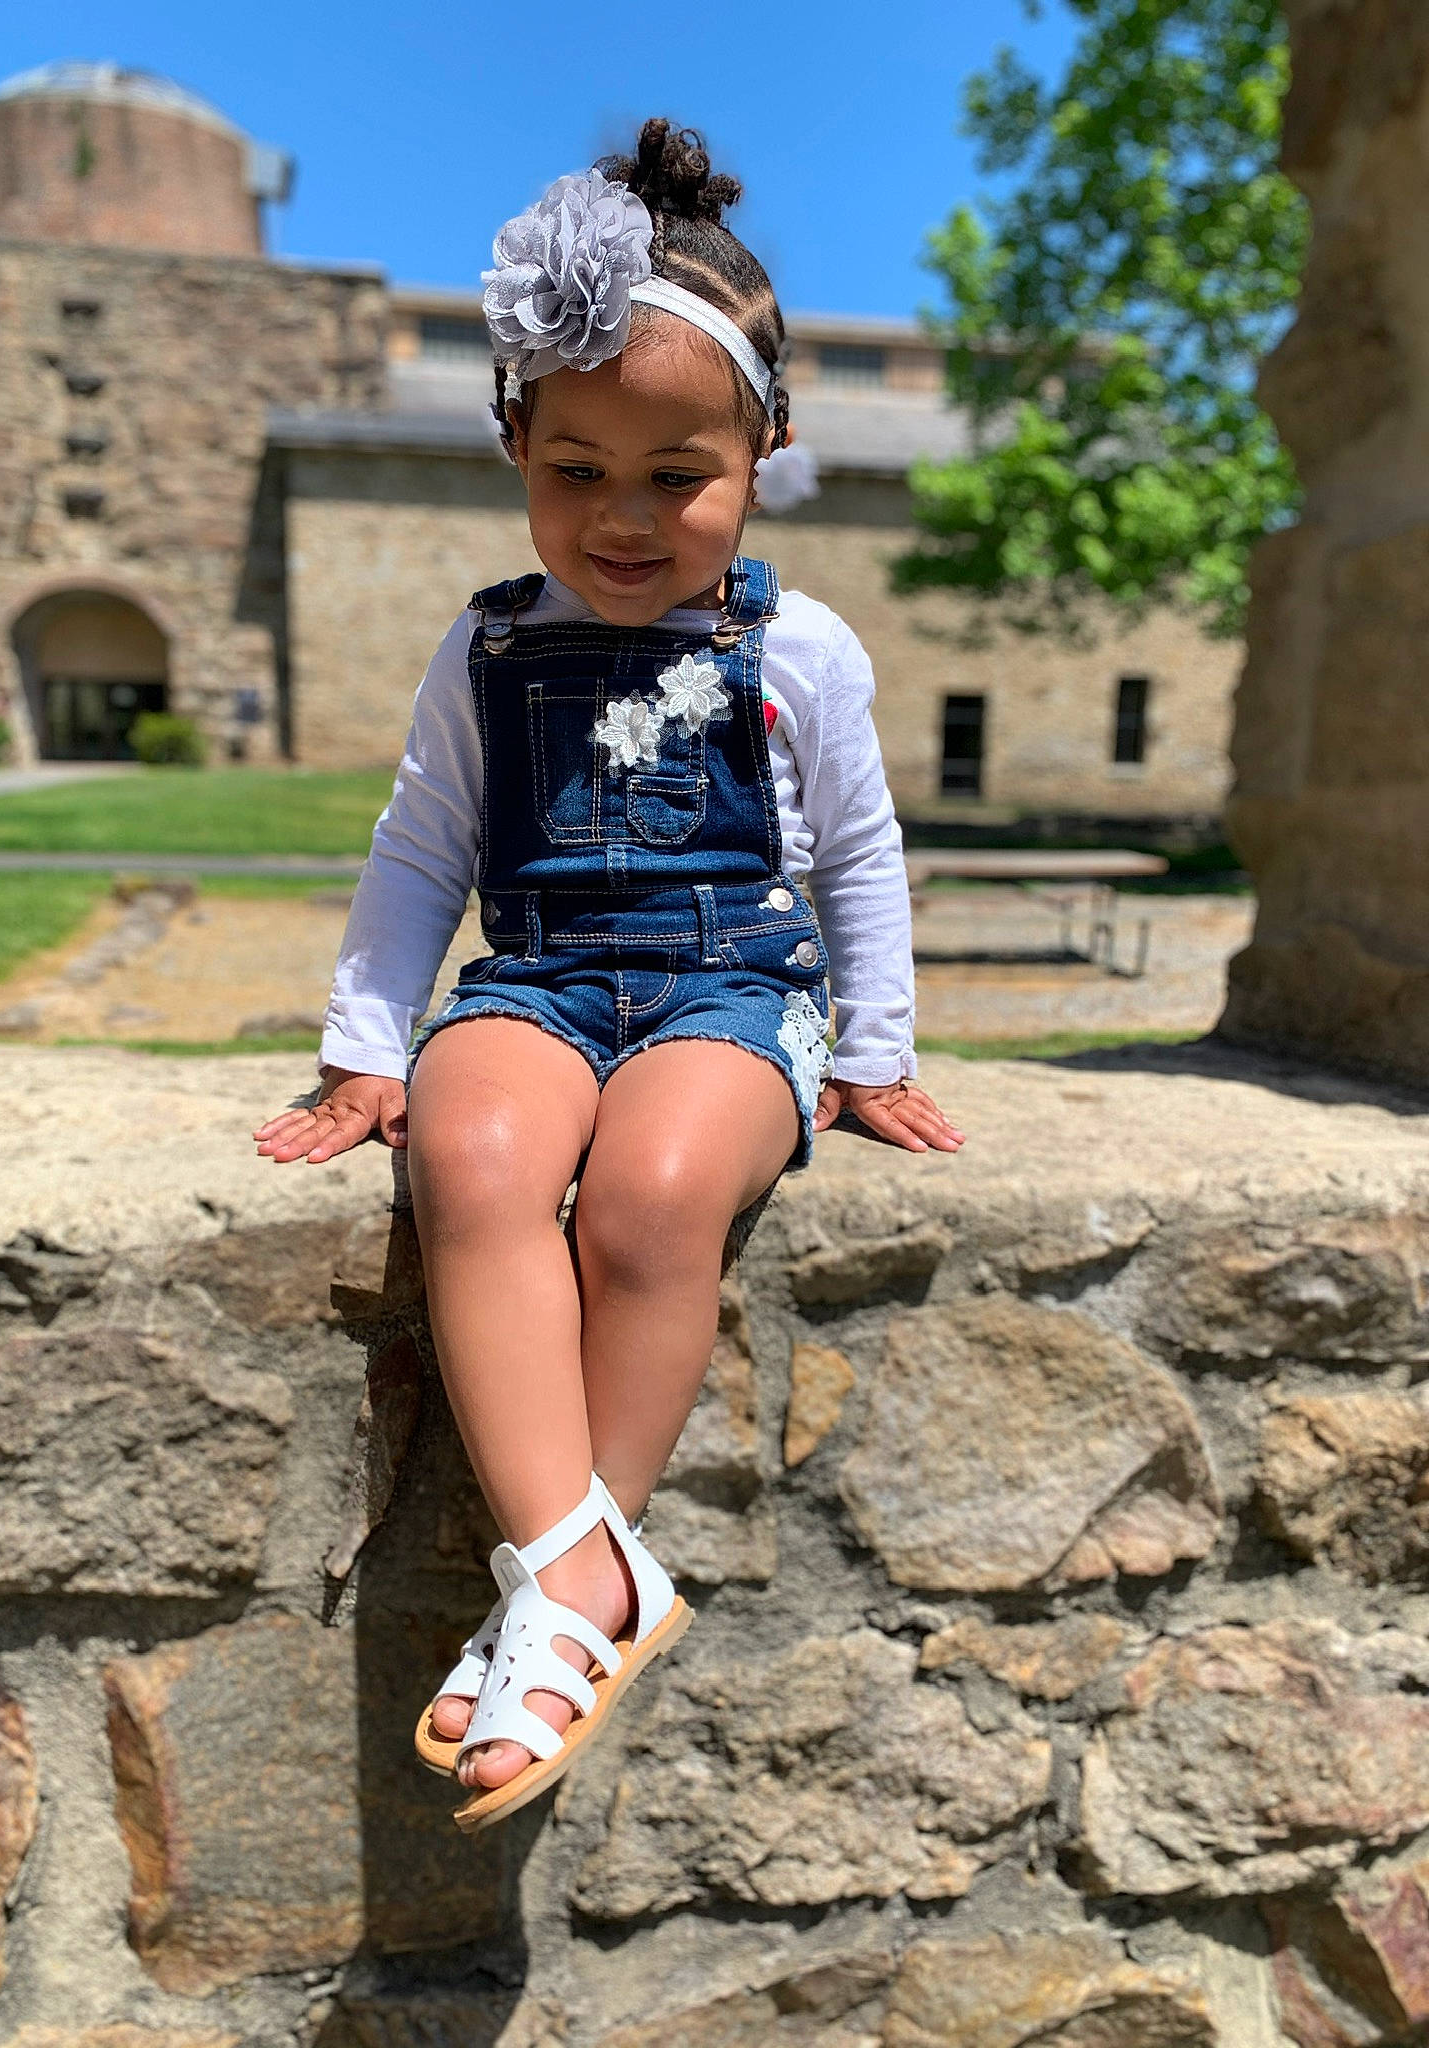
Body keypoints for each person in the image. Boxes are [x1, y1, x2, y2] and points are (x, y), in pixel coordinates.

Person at [253, 120, 964, 1832]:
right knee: (474, 1157)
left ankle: (560, 1591)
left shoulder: (800, 648)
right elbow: (425, 847)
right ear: (515, 441)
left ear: (765, 447)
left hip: (735, 995)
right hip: (548, 977)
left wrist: (871, 1051)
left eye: (676, 473)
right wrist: (368, 1045)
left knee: (652, 1193)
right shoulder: (487, 650)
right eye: (577, 470)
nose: (624, 518)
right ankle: (586, 1578)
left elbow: (856, 857)